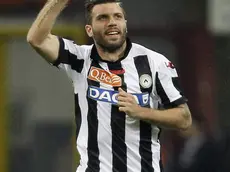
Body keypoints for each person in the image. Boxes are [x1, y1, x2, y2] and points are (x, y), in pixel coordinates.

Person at [27, 0, 192, 171]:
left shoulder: (154, 63)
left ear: (125, 24)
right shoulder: (80, 59)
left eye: (117, 16)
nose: (112, 22)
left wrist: (141, 112)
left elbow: (184, 118)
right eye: (103, 18)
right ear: (89, 30)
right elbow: (37, 39)